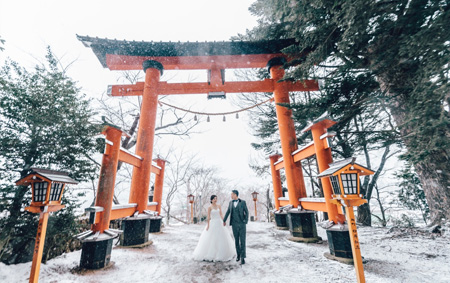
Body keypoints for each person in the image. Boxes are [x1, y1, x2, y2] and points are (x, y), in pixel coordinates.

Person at [193, 195, 236, 262]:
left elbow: (221, 214)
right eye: (214, 199)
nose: (215, 200)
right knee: (212, 238)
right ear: (211, 200)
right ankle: (211, 254)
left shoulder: (218, 206)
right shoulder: (209, 207)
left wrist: (223, 220)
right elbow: (209, 217)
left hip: (219, 222)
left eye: (216, 198)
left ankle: (223, 253)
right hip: (213, 223)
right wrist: (208, 226)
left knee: (221, 238)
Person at [223, 190, 249, 264]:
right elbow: (228, 212)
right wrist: (224, 220)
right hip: (234, 224)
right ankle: (238, 255)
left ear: (235, 195)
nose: (231, 196)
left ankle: (243, 257)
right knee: (236, 241)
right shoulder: (230, 203)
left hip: (242, 224)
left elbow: (246, 212)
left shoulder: (243, 202)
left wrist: (245, 221)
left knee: (242, 241)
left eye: (232, 194)